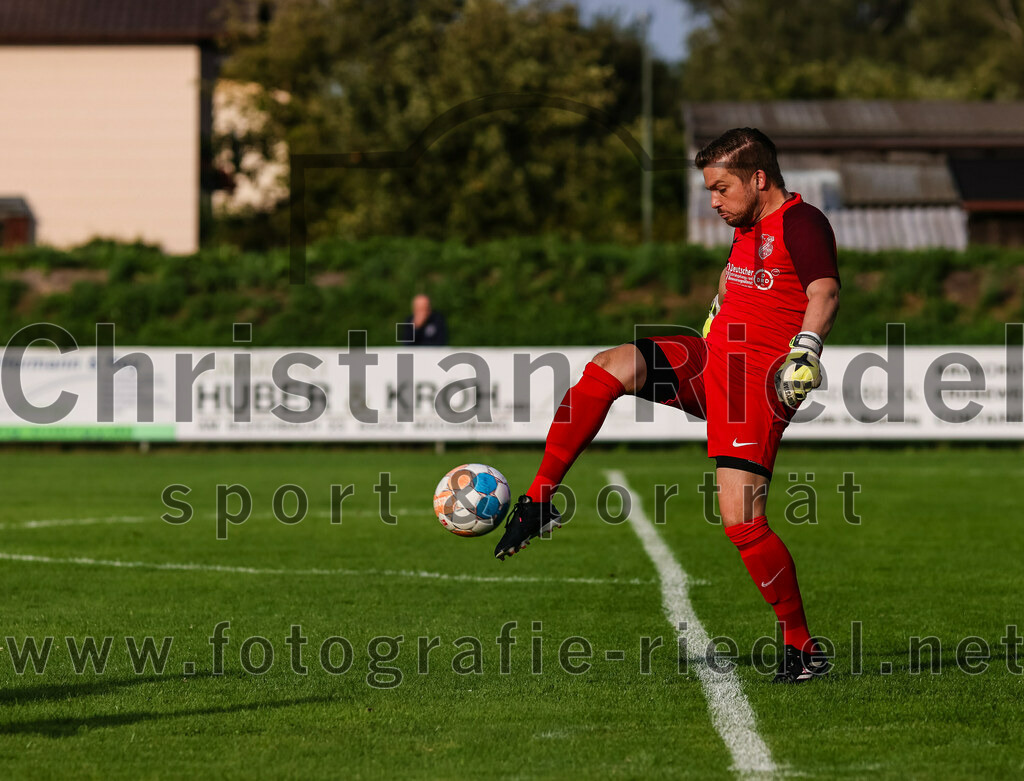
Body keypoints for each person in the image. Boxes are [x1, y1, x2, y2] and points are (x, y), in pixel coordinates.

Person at [493, 128, 841, 684]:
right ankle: (540, 498)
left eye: (721, 189)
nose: (714, 202)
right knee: (609, 366)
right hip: (711, 362)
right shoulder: (745, 226)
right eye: (709, 190)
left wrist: (806, 350)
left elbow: (823, 290)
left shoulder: (802, 222)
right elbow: (750, 289)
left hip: (754, 386)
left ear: (758, 178)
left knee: (741, 522)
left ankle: (803, 650)